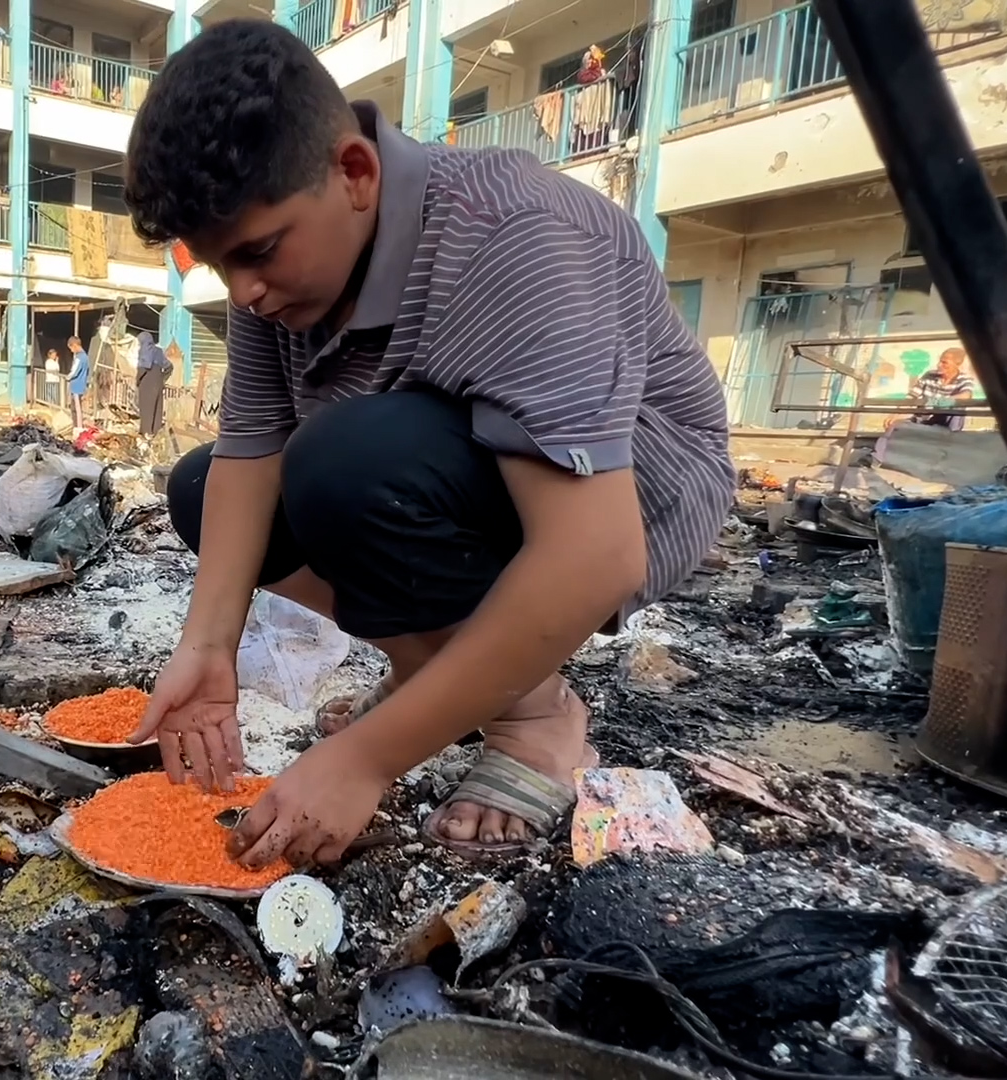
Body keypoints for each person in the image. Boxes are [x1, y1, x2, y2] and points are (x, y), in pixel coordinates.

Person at [121, 20, 734, 867]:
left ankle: (535, 723)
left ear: (355, 172)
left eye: (257, 253)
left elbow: (598, 555)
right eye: (223, 265)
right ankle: (435, 675)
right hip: (431, 469)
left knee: (344, 462)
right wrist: (206, 648)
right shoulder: (277, 278)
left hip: (625, 500)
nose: (246, 292)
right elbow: (248, 457)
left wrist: (366, 760)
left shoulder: (514, 233)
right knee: (202, 489)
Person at [905, 348, 976, 430]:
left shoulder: (965, 379)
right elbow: (912, 395)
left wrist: (939, 402)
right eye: (939, 361)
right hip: (924, 418)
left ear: (957, 364)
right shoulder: (929, 375)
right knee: (897, 426)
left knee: (958, 405)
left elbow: (966, 395)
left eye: (944, 362)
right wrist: (898, 413)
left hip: (945, 419)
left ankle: (952, 435)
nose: (939, 365)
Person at [135, 331, 172, 435]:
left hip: (147, 381)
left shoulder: (145, 350)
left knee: (146, 407)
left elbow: (143, 367)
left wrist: (138, 380)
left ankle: (146, 431)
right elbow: (169, 366)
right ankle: (156, 431)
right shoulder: (159, 351)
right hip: (158, 381)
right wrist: (163, 378)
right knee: (157, 407)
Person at [67, 335, 91, 427]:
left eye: (71, 348)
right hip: (81, 385)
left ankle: (78, 427)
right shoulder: (85, 357)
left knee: (76, 409)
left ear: (75, 345)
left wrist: (68, 377)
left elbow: (74, 371)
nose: (71, 351)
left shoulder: (79, 358)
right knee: (76, 408)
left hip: (76, 386)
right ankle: (78, 426)